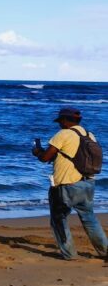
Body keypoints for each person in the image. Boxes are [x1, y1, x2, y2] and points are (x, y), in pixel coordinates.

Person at [32, 107, 107, 260]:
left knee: (59, 219)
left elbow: (45, 158)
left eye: (60, 121)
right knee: (89, 218)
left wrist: (37, 152)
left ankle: (69, 254)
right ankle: (105, 251)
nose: (59, 124)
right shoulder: (89, 135)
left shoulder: (63, 134)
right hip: (88, 183)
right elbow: (72, 156)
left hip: (66, 185)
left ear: (65, 121)